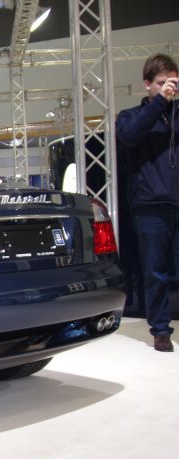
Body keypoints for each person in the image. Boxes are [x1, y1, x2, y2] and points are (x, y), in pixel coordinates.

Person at [116, 53, 179, 352]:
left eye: (173, 82)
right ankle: (160, 329)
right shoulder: (131, 116)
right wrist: (159, 104)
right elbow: (129, 137)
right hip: (150, 206)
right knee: (155, 271)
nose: (169, 87)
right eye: (161, 82)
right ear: (147, 85)